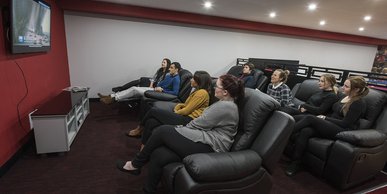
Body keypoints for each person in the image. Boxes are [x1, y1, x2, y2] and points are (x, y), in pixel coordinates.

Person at [116, 74, 245, 194]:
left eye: (217, 86)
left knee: (163, 131)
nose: (214, 88)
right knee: (160, 154)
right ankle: (148, 189)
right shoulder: (224, 104)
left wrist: (179, 129)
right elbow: (202, 121)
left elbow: (197, 124)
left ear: (225, 92)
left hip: (213, 146)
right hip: (206, 138)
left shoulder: (225, 107)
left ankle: (135, 164)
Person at [285, 76, 369, 176]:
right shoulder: (344, 96)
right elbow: (332, 110)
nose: (342, 87)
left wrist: (325, 118)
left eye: (346, 86)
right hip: (331, 125)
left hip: (342, 130)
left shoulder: (358, 103)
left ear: (356, 89)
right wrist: (324, 118)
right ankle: (295, 162)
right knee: (306, 131)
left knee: (310, 118)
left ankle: (282, 135)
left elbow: (345, 123)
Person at [127, 71, 212, 147]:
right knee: (151, 122)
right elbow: (185, 105)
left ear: (199, 82)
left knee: (153, 111)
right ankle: (144, 146)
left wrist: (175, 112)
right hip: (185, 116)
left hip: (188, 120)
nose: (191, 80)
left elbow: (186, 110)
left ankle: (139, 128)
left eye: (193, 79)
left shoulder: (202, 93)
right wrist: (178, 106)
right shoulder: (197, 91)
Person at [98, 62, 181, 104]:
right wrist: (159, 86)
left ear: (176, 69)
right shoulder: (168, 76)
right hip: (155, 89)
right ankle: (111, 96)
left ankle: (114, 98)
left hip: (159, 93)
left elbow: (175, 93)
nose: (169, 69)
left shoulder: (176, 79)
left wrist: (162, 90)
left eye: (171, 68)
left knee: (134, 89)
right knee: (134, 88)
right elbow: (160, 84)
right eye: (170, 67)